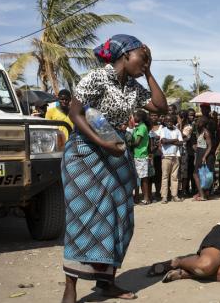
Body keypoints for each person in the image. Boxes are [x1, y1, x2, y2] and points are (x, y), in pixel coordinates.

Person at [61, 34, 167, 303]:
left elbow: (160, 106)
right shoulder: (96, 77)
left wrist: (149, 72)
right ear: (126, 55)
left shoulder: (133, 87)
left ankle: (106, 282)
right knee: (82, 217)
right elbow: (75, 113)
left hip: (115, 152)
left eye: (147, 60)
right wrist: (101, 143)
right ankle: (70, 288)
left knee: (118, 218)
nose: (144, 63)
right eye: (142, 58)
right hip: (85, 152)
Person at [159, 114, 184, 203]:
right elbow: (163, 141)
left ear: (173, 122)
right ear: (165, 122)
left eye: (171, 121)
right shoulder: (163, 130)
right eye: (167, 121)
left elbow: (181, 143)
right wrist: (174, 140)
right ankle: (164, 196)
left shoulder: (177, 131)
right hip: (166, 156)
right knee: (165, 177)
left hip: (176, 156)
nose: (169, 122)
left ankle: (174, 195)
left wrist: (169, 141)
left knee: (174, 177)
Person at [132, 110, 152, 205]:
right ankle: (137, 197)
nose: (133, 117)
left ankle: (146, 198)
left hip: (141, 155)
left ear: (139, 118)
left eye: (134, 116)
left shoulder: (142, 128)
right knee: (137, 177)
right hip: (137, 155)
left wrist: (128, 144)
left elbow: (137, 142)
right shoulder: (138, 127)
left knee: (143, 178)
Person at [193, 116, 214, 201]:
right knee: (202, 174)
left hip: (204, 154)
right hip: (200, 153)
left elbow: (210, 146)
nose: (197, 123)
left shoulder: (206, 132)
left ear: (203, 123)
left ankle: (202, 195)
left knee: (196, 174)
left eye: (199, 122)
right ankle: (204, 194)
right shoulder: (200, 131)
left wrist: (204, 157)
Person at [177, 110, 194, 198]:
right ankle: (176, 191)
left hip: (183, 151)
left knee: (184, 172)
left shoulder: (189, 127)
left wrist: (180, 125)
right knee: (176, 171)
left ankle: (183, 191)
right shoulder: (176, 125)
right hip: (175, 151)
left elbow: (180, 137)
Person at [149, 112, 163, 200]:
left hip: (158, 154)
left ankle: (158, 193)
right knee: (149, 175)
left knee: (158, 174)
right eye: (152, 115)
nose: (154, 117)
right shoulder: (146, 127)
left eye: (155, 115)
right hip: (149, 154)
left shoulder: (162, 127)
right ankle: (149, 194)